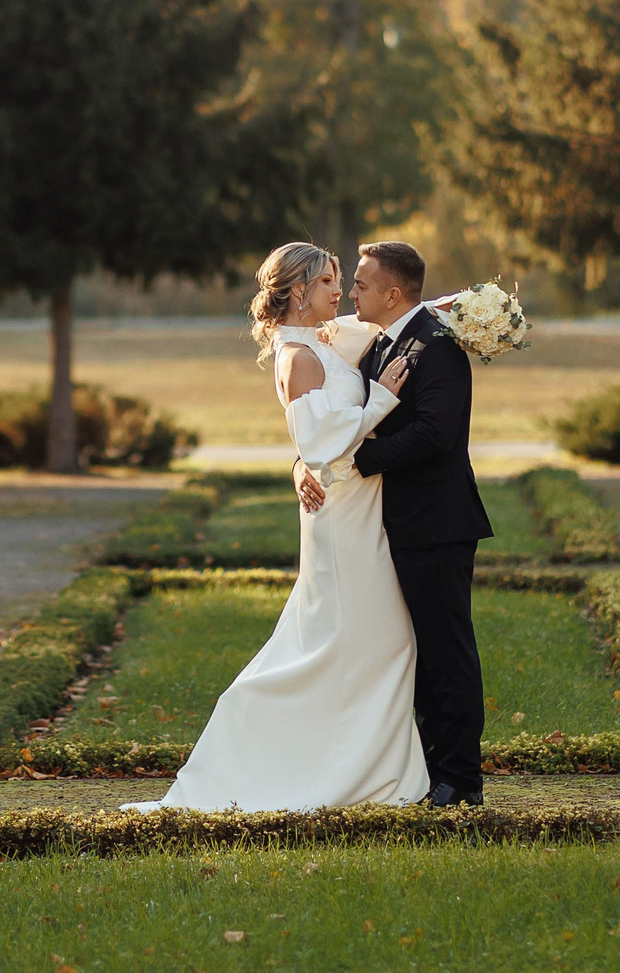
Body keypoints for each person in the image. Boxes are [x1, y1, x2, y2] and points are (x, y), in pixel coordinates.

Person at [126, 241, 428, 811]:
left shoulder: (324, 338)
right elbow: (319, 441)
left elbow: (405, 313)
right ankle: (293, 749)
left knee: (375, 640)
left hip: (359, 507)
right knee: (356, 639)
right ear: (296, 291)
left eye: (341, 280)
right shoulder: (299, 357)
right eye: (326, 284)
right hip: (341, 517)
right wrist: (383, 398)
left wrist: (472, 308)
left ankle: (373, 769)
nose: (338, 293)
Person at [296, 239, 492, 806]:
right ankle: (430, 772)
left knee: (446, 652)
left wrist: (358, 463)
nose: (352, 292)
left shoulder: (436, 346)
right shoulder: (385, 341)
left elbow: (436, 432)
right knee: (421, 654)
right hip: (397, 523)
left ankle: (460, 780)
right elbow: (337, 420)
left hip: (437, 521)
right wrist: (307, 462)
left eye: (360, 283)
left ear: (393, 293)